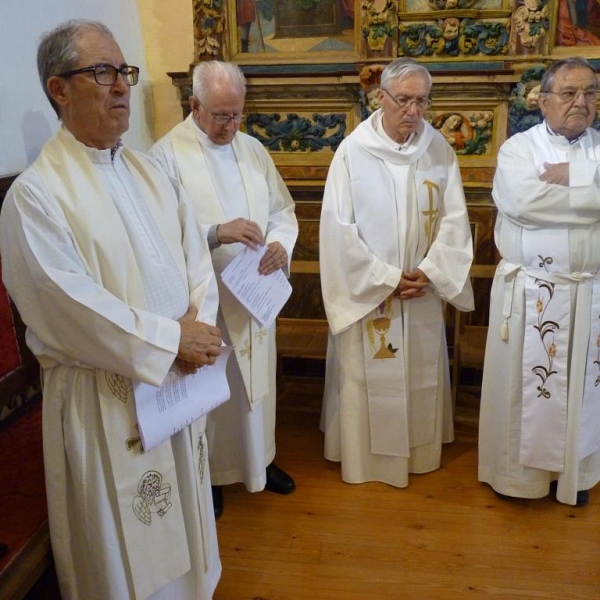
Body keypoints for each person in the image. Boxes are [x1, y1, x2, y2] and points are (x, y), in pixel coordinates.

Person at [0, 20, 223, 599]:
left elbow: (196, 256)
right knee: (127, 558)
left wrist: (196, 327)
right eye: (102, 72)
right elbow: (65, 304)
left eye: (124, 71)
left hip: (176, 385)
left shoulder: (151, 169)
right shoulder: (36, 195)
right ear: (59, 89)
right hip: (105, 398)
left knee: (189, 537)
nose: (121, 86)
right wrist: (170, 340)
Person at [151, 60, 298, 518]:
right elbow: (157, 234)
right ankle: (211, 475)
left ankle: (261, 462)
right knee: (216, 394)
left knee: (258, 388)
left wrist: (280, 245)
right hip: (207, 302)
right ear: (194, 105)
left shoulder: (252, 149)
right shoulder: (165, 156)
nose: (231, 126)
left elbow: (283, 210)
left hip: (256, 295)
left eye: (238, 115)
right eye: (220, 116)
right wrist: (216, 231)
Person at [319, 57, 474, 488]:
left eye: (421, 101)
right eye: (403, 100)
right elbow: (337, 230)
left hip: (420, 290)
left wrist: (429, 270)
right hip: (372, 294)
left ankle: (419, 452)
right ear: (380, 97)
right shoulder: (352, 152)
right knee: (366, 380)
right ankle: (368, 461)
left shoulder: (438, 149)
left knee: (420, 376)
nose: (412, 111)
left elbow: (454, 220)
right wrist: (386, 276)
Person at [479, 56, 600, 507]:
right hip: (535, 292)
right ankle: (520, 478)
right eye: (569, 93)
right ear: (544, 101)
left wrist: (579, 175)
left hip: (590, 292)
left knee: (582, 389)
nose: (581, 102)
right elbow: (526, 202)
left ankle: (575, 475)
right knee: (526, 392)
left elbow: (551, 200)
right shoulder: (519, 149)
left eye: (590, 93)